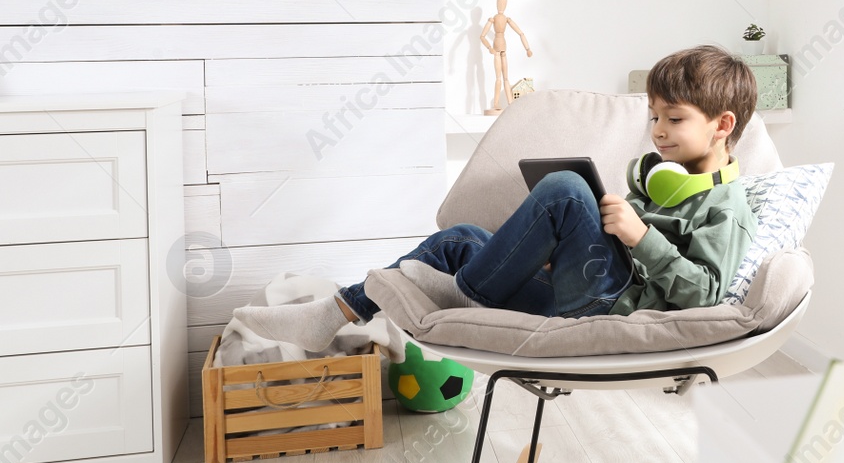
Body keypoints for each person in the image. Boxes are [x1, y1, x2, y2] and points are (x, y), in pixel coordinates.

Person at [237, 44, 761, 352]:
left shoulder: (726, 209)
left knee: (566, 189)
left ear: (722, 126)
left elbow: (706, 296)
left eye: (674, 119)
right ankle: (332, 315)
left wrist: (641, 236)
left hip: (613, 308)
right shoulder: (657, 182)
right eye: (654, 118)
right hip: (573, 293)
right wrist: (560, 251)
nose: (659, 132)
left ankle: (467, 297)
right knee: (459, 239)